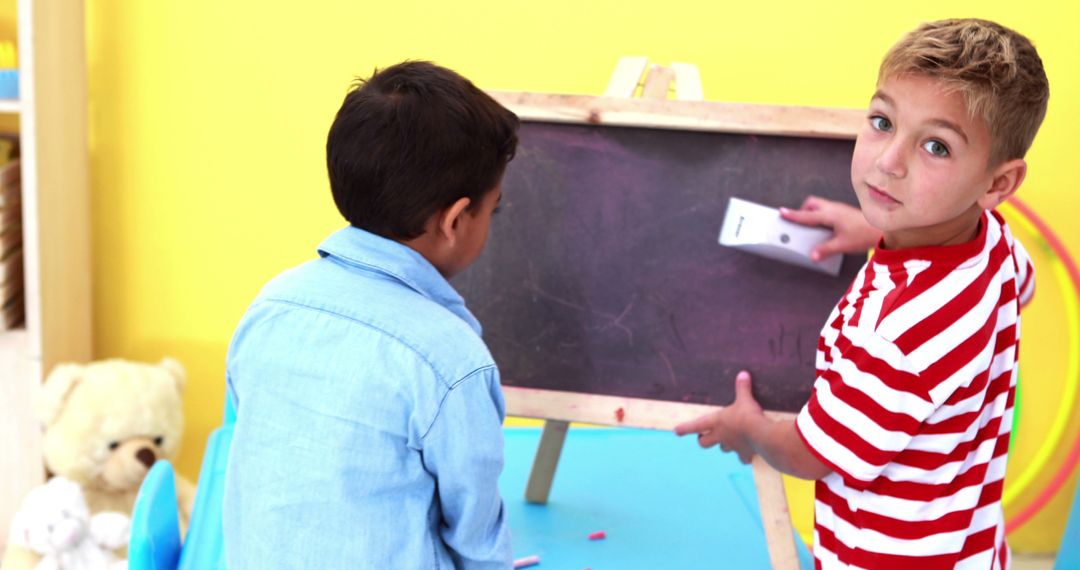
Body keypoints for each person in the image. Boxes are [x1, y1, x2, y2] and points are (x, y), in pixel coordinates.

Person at [676, 18, 1047, 568]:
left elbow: (812, 454)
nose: (888, 161)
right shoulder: (993, 243)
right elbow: (1025, 285)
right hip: (966, 544)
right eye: (882, 121)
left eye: (936, 147)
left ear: (997, 184)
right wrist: (874, 229)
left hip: (884, 555)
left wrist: (750, 429)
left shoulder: (901, 334)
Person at [222, 61, 519, 569]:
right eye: (492, 210)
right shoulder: (451, 361)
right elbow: (477, 540)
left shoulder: (270, 306)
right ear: (454, 221)